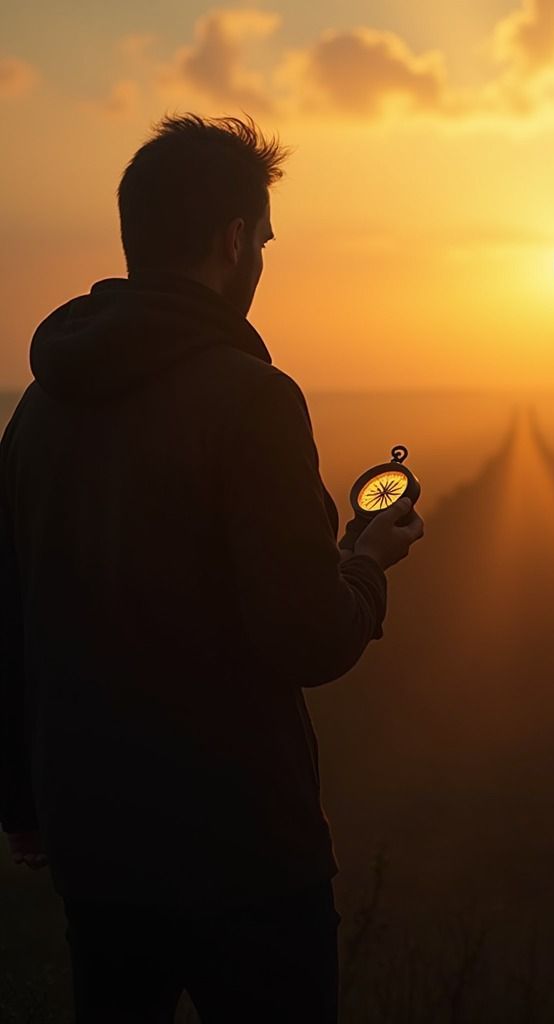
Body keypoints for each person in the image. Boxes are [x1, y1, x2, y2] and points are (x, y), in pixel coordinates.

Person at [0, 113, 424, 1022]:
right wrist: (369, 561)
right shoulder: (253, 400)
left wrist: (24, 802)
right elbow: (308, 636)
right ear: (235, 241)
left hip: (95, 851)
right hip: (243, 857)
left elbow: (11, 618)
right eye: (264, 240)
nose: (264, 261)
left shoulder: (38, 407)